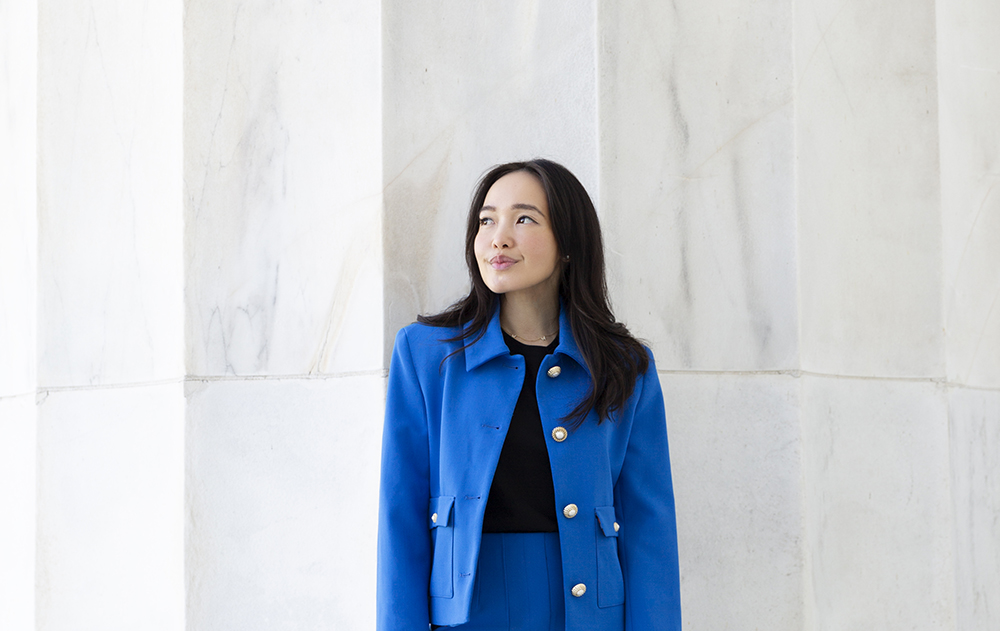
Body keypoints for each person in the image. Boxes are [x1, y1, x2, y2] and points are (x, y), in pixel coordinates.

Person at [377, 159, 681, 631]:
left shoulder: (623, 365)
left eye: (523, 219)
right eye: (486, 221)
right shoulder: (426, 355)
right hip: (468, 616)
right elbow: (400, 518)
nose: (498, 238)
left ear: (568, 242)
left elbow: (649, 529)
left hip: (585, 615)